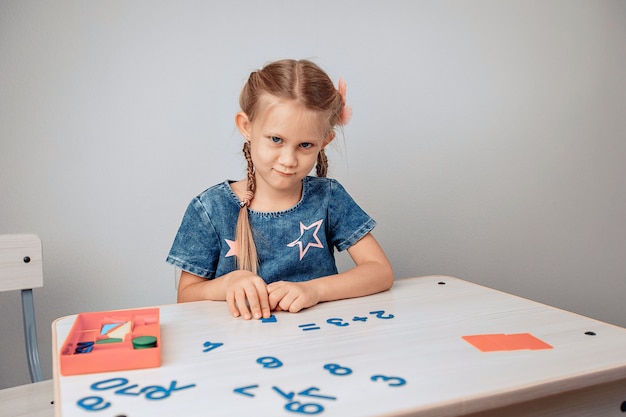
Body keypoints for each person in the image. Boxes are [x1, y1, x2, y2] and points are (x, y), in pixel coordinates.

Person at [166, 59, 393, 320]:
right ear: (246, 127)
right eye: (276, 140)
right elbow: (186, 296)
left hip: (319, 342)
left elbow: (380, 271)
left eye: (305, 145)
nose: (288, 160)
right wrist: (229, 283)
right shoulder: (210, 209)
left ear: (324, 141)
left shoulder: (328, 198)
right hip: (239, 350)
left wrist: (314, 290)